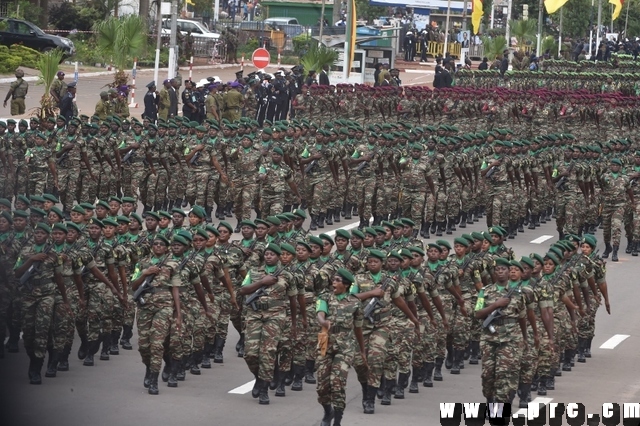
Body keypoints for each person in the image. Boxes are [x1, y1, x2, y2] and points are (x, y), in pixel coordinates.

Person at [131, 234, 183, 395]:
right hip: (145, 306)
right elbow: (133, 285)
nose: (158, 246)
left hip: (164, 306)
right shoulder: (142, 263)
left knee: (157, 343)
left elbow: (175, 289)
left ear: (166, 247)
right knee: (143, 345)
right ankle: (148, 366)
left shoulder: (173, 264)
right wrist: (145, 273)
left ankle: (154, 379)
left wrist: (178, 313)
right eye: (155, 244)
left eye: (162, 244)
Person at [315, 268, 365, 426]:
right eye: (333, 280)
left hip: (345, 347)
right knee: (322, 386)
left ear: (346, 284)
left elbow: (358, 329)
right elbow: (320, 313)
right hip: (325, 344)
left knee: (337, 383)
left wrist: (362, 350)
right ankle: (327, 411)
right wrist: (323, 322)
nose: (333, 283)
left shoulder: (355, 303)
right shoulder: (325, 297)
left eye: (337, 280)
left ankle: (337, 419)